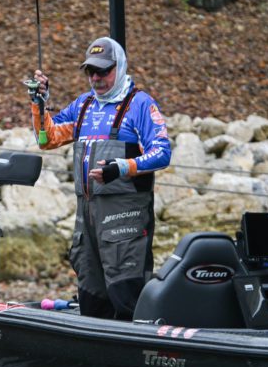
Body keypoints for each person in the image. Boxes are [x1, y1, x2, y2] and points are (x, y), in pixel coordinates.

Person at [28, 36, 171, 320]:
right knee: (91, 299)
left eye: (104, 71)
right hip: (87, 221)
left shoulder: (140, 104)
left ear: (120, 67)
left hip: (125, 220)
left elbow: (162, 153)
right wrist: (38, 104)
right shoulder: (83, 105)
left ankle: (137, 344)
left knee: (126, 297)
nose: (96, 78)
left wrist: (121, 167)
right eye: (91, 71)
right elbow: (47, 139)